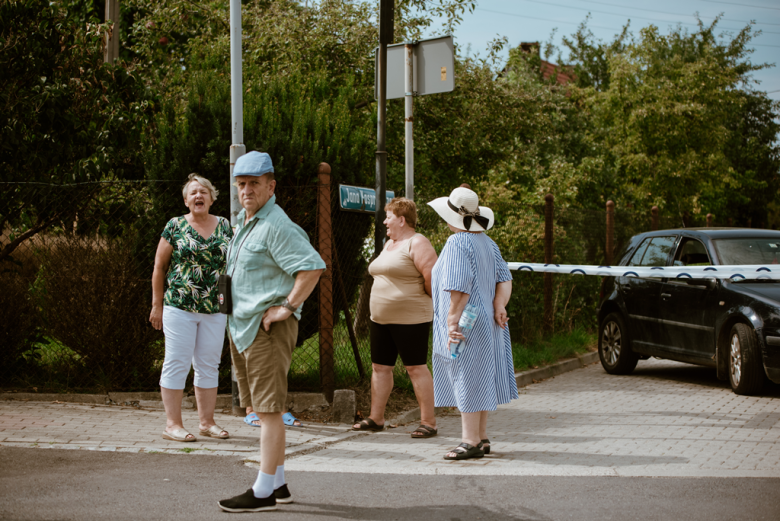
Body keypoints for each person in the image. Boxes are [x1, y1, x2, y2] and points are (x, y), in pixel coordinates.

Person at [218, 151, 324, 513]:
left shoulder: (276, 224)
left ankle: (262, 492)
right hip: (245, 326)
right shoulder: (248, 222)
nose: (246, 190)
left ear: (271, 186)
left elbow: (311, 268)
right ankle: (278, 485)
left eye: (254, 184)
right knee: (259, 409)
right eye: (241, 184)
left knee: (269, 411)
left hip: (266, 330)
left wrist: (287, 307)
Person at [427, 186, 518, 460]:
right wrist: (499, 305)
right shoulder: (488, 242)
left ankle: (470, 441)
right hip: (487, 322)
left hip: (467, 320)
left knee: (465, 374)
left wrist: (452, 322)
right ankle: (482, 436)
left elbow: (460, 286)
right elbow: (505, 279)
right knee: (480, 375)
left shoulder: (457, 243)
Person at [150, 174, 233, 443]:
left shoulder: (224, 225)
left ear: (211, 198)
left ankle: (206, 423)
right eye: (193, 193)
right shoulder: (174, 226)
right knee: (176, 362)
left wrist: (232, 304)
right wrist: (157, 305)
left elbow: (232, 267)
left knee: (209, 364)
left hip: (214, 308)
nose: (199, 196)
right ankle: (172, 424)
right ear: (186, 200)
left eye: (204, 192)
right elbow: (159, 268)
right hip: (178, 306)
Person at [351, 197, 439, 438]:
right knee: (380, 367)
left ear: (402, 220)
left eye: (388, 217)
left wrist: (424, 300)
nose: (384, 221)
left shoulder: (417, 242)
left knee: (415, 367)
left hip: (411, 318)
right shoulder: (389, 244)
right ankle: (376, 418)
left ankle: (428, 422)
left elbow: (432, 276)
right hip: (380, 319)